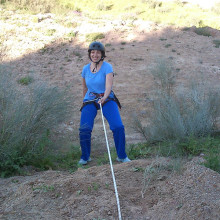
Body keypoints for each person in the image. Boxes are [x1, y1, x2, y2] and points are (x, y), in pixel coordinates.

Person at [78, 41, 130, 165]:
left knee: (118, 127)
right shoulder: (85, 69)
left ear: (102, 54)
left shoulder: (107, 67)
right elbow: (85, 88)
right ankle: (85, 157)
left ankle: (122, 156)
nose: (95, 55)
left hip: (106, 98)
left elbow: (108, 86)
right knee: (84, 128)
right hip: (90, 98)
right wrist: (84, 103)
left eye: (97, 52)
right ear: (89, 54)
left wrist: (105, 97)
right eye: (92, 52)